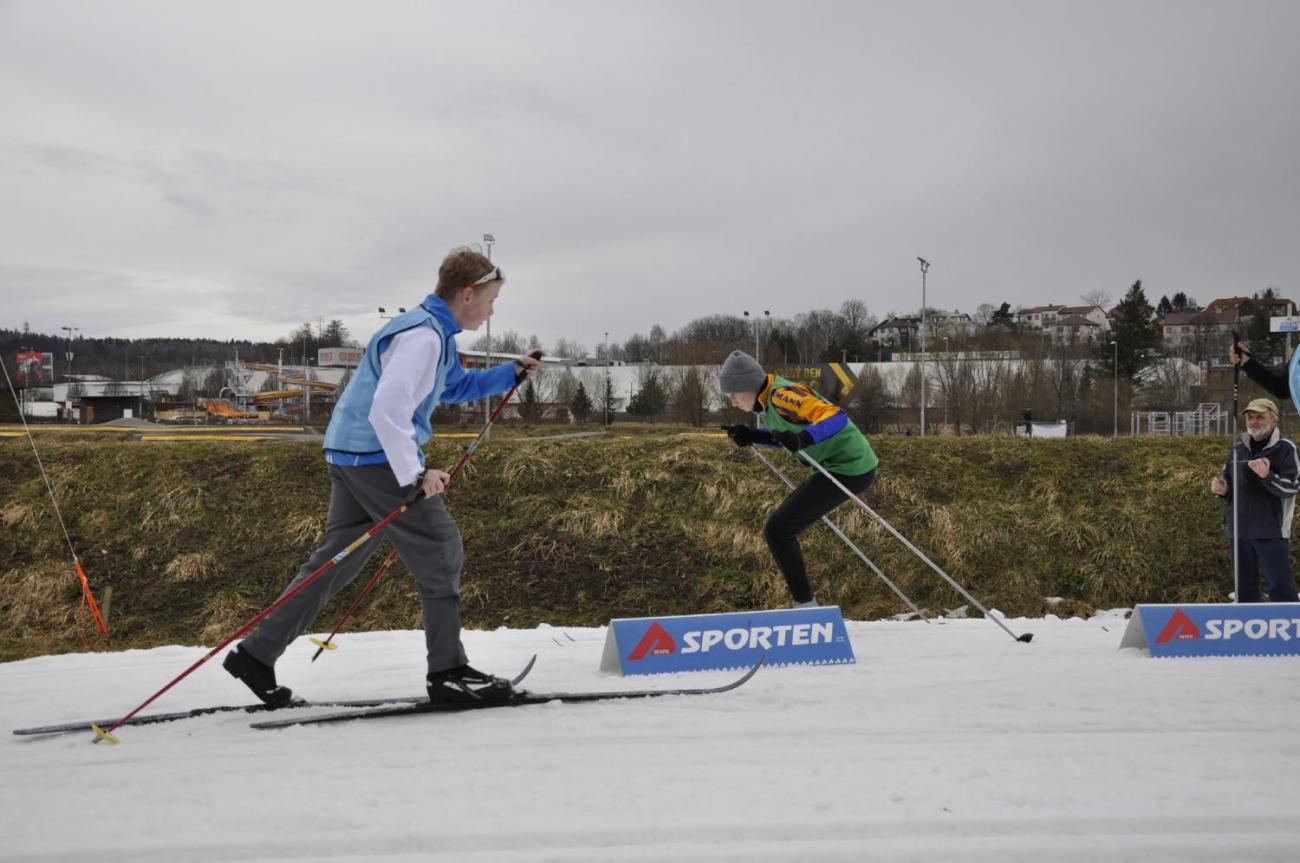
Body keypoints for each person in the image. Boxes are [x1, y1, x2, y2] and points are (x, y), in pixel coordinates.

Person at [224, 247, 542, 707]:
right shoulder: (423, 338)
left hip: (349, 454)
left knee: (337, 562)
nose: (492, 310)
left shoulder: (435, 334)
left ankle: (257, 654)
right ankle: (448, 672)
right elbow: (387, 409)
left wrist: (511, 372)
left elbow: (453, 387)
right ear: (467, 293)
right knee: (440, 548)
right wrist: (415, 473)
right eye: (490, 300)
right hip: (374, 457)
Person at [719, 351, 878, 608]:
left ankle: (805, 606)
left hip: (849, 468)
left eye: (734, 393)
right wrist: (754, 436)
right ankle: (804, 604)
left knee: (779, 529)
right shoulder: (769, 401)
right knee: (779, 528)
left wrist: (805, 439)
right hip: (835, 467)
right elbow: (787, 437)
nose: (732, 401)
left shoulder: (783, 396)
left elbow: (836, 417)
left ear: (748, 384)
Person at [1209, 397, 1300, 602]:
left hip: (1272, 531)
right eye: (1250, 417)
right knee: (1244, 592)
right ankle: (1247, 630)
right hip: (1238, 531)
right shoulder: (1237, 449)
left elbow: (1291, 487)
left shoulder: (1286, 449)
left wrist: (1267, 476)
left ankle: (1290, 630)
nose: (1254, 422)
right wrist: (1223, 490)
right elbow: (1230, 486)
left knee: (1281, 588)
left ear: (1274, 420)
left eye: (1260, 417)